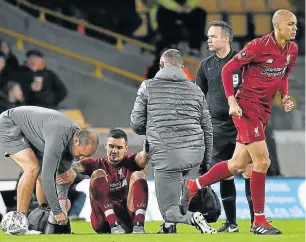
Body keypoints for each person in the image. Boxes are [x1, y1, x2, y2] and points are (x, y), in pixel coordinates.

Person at [182, 9, 298, 235]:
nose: (295, 28)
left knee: (236, 165)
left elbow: (283, 76)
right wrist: (232, 101)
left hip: (264, 109)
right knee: (261, 162)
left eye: (295, 24)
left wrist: (284, 96)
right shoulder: (257, 46)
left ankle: (193, 185)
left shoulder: (292, 49)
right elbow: (227, 70)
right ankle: (259, 222)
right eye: (291, 24)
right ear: (277, 26)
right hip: (248, 106)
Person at [130, 49, 216, 234]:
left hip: (166, 154)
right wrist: (206, 163)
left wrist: (155, 129)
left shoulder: (148, 86)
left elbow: (136, 124)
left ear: (161, 65)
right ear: (182, 68)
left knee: (169, 209)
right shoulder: (196, 90)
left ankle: (192, 218)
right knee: (182, 199)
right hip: (195, 155)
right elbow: (208, 129)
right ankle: (169, 229)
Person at [0, 106, 99, 233]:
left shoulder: (74, 141)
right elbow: (48, 177)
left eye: (85, 156)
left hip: (34, 134)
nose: (80, 158)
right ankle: (19, 222)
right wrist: (57, 211)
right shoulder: (58, 137)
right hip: (10, 123)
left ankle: (43, 214)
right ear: (76, 141)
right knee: (32, 168)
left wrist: (62, 200)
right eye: (81, 154)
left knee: (41, 172)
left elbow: (62, 178)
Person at [196, 20, 254, 232]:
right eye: (208, 36)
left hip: (243, 125)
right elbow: (199, 97)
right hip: (217, 127)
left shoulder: (243, 62)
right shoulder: (205, 65)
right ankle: (231, 223)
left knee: (249, 171)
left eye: (213, 36)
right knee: (226, 173)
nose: (209, 40)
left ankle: (256, 222)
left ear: (226, 38)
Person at [56, 128, 149, 234]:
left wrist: (147, 149)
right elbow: (73, 166)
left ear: (126, 149)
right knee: (98, 173)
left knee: (139, 174)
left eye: (119, 147)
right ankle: (113, 223)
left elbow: (142, 158)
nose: (114, 151)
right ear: (106, 146)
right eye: (111, 146)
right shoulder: (95, 163)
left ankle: (139, 225)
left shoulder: (130, 161)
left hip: (126, 220)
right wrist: (71, 170)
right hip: (102, 222)